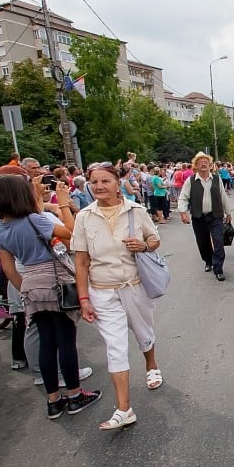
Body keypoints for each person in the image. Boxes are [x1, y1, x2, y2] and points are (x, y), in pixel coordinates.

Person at [0, 174, 102, 419]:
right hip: (54, 281)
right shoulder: (34, 219)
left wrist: (26, 289)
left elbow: (8, 268)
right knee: (66, 340)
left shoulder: (1, 228)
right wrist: (62, 203)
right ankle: (74, 394)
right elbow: (72, 233)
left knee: (47, 342)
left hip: (29, 284)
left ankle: (53, 400)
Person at [72, 163, 163, 430]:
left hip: (135, 286)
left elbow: (154, 240)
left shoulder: (135, 211)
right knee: (115, 346)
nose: (99, 186)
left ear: (116, 182)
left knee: (143, 331)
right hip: (102, 291)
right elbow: (81, 263)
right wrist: (84, 298)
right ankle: (124, 409)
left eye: (105, 181)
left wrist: (143, 245)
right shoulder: (84, 217)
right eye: (94, 182)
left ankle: (151, 364)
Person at [178, 152, 232, 280]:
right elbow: (183, 197)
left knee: (218, 242)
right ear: (195, 166)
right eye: (200, 161)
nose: (203, 163)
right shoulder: (191, 181)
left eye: (206, 161)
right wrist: (183, 212)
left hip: (215, 216)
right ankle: (208, 261)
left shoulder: (216, 179)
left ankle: (218, 268)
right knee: (203, 243)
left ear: (210, 165)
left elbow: (223, 196)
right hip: (199, 217)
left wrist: (228, 212)